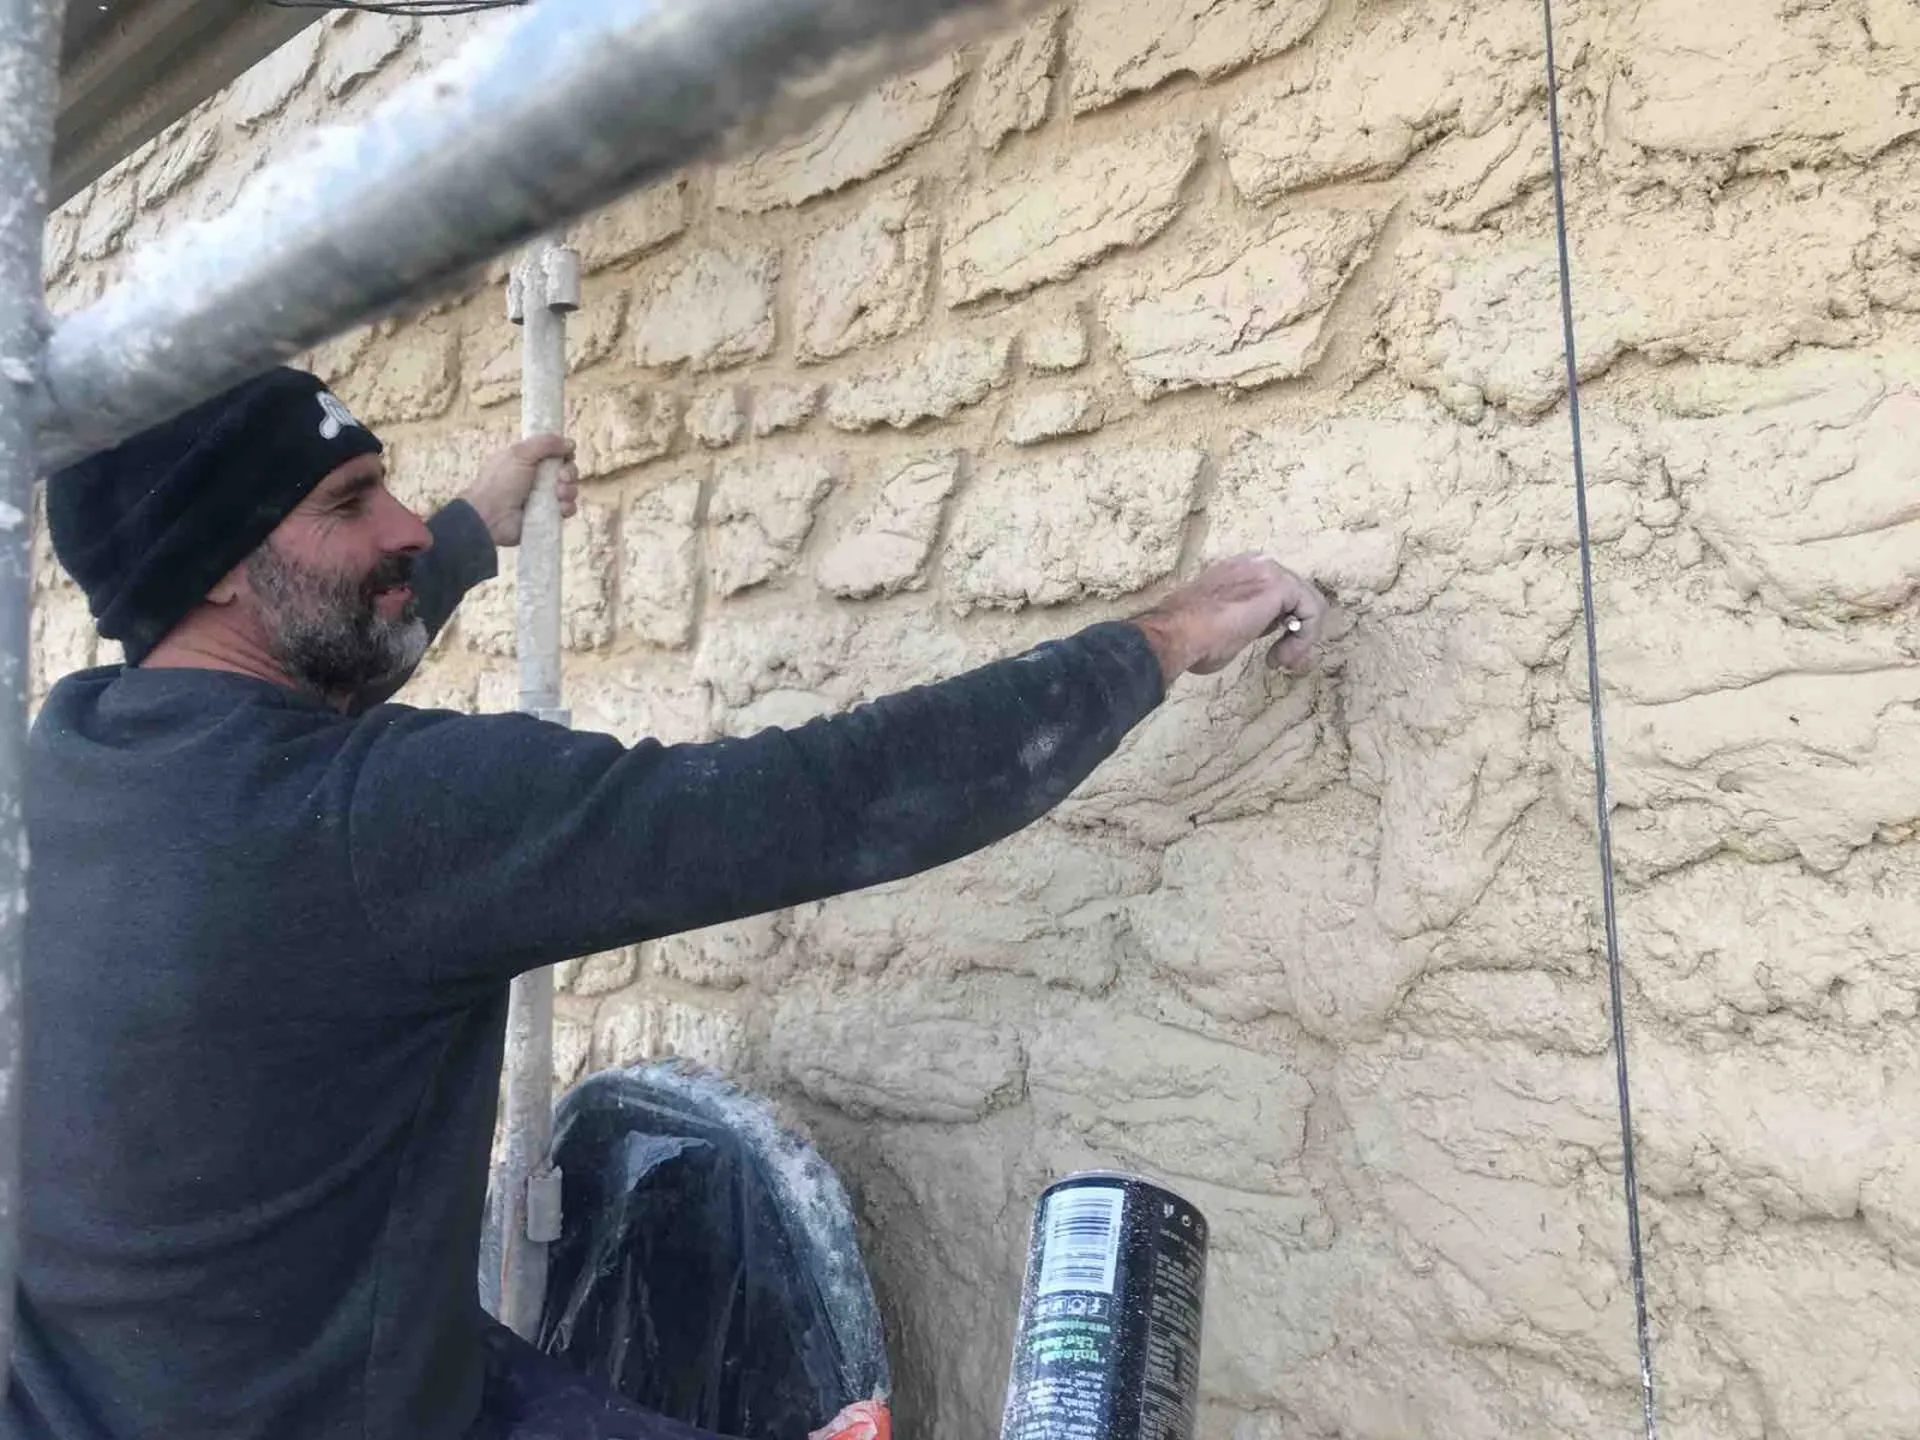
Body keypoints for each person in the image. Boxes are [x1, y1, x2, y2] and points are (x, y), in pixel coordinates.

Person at [6, 366, 1327, 1440]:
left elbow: (303, 684)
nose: (404, 523)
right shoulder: (384, 821)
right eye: (356, 501)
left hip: (128, 1384)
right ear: (220, 573)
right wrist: (1149, 644)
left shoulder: (71, 756)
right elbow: (824, 796)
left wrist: (470, 531)